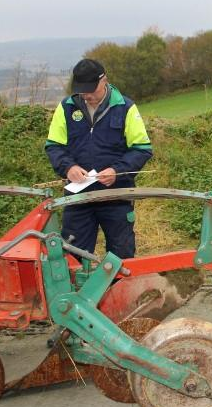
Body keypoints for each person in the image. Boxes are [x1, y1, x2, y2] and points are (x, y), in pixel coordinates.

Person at [45, 58, 153, 258]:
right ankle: (77, 289)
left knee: (121, 255)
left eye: (91, 90)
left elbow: (142, 149)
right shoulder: (66, 108)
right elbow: (54, 146)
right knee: (72, 254)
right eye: (82, 91)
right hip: (78, 197)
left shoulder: (126, 107)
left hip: (117, 196)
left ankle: (119, 288)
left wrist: (117, 171)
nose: (86, 96)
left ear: (104, 81)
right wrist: (68, 168)